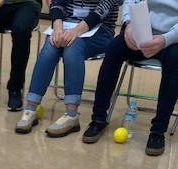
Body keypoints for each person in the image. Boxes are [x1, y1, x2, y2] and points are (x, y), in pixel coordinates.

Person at [82, 0, 178, 156]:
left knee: (175, 62)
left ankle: (158, 131)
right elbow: (130, 1)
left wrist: (166, 39)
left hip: (173, 38)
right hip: (142, 32)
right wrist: (128, 23)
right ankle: (98, 118)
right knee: (114, 48)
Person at [15, 0, 119, 137]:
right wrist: (58, 29)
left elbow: (102, 10)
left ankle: (71, 114)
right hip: (67, 24)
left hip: (100, 29)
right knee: (50, 47)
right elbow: (57, 3)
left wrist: (75, 31)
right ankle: (31, 108)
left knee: (73, 47)